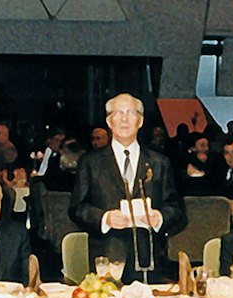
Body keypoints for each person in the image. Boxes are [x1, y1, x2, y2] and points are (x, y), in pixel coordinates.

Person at [69, 93, 187, 282]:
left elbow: (176, 208)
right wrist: (105, 218)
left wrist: (159, 218)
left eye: (131, 113)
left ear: (140, 121)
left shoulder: (159, 162)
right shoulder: (90, 163)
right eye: (119, 113)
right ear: (109, 121)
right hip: (107, 261)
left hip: (149, 260)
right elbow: (77, 209)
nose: (125, 119)